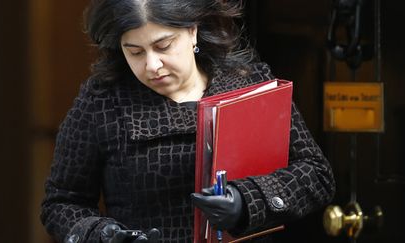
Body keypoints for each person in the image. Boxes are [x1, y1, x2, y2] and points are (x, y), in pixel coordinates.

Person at [40, 0, 336, 242]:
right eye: (135, 52)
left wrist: (247, 201)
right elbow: (61, 203)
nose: (152, 65)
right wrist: (102, 235)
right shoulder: (102, 102)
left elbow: (316, 175)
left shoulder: (249, 85)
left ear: (192, 31)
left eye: (164, 46)